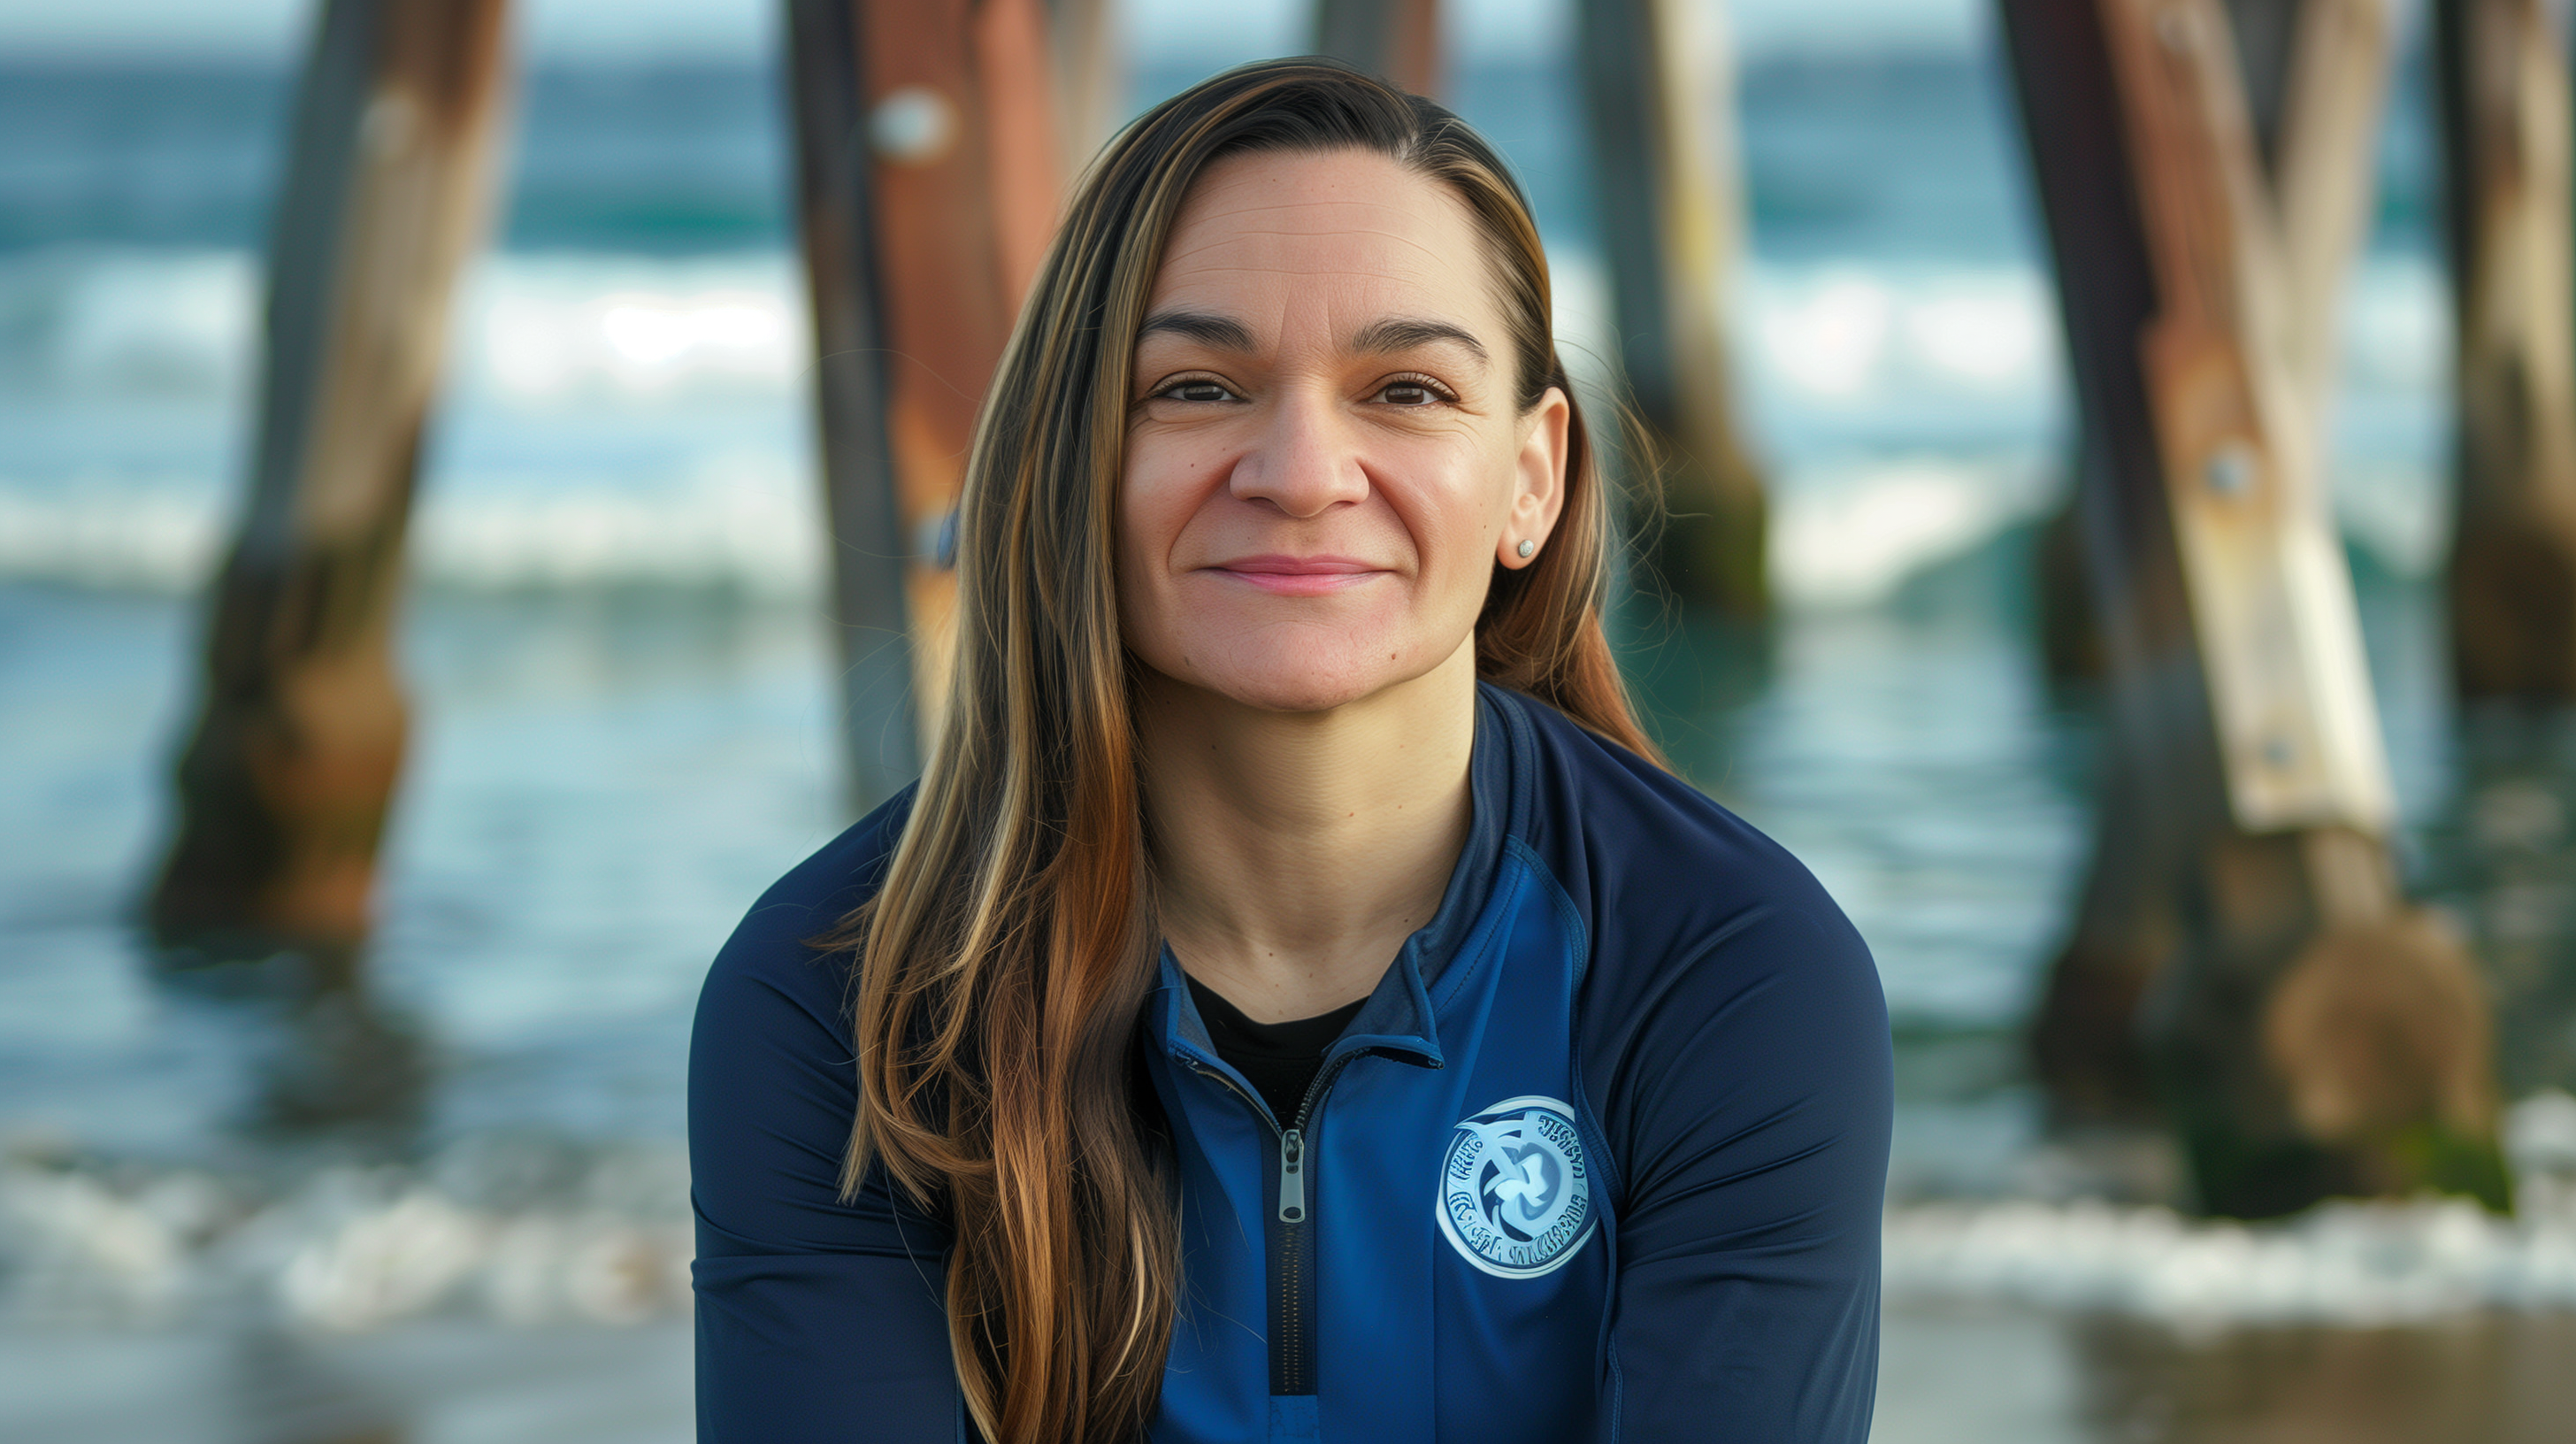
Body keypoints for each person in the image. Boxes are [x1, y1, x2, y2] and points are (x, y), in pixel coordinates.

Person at [690, 58, 1890, 1444]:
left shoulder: (1725, 968)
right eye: (1198, 387)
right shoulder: (846, 992)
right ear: (1070, 459)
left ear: (1533, 478)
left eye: (1411, 392)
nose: (1304, 471)